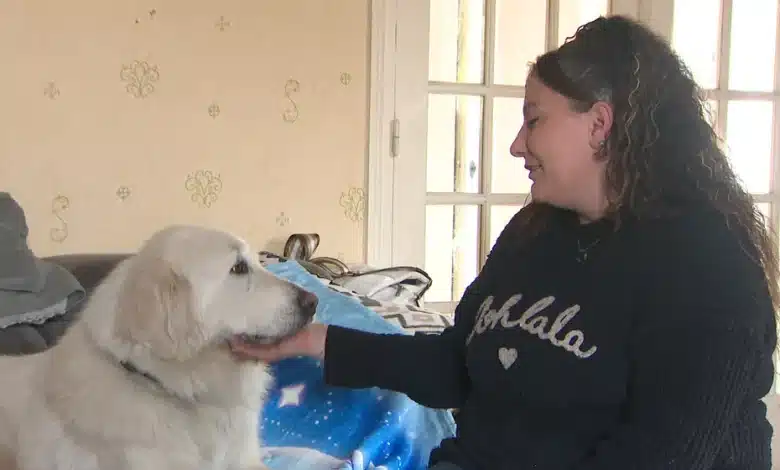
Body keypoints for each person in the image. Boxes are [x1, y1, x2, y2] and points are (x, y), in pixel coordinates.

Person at [232, 15, 779, 470]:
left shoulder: (710, 266)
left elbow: (660, 458)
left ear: (599, 124)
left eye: (534, 120)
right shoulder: (535, 232)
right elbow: (460, 366)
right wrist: (314, 339)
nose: (518, 145)